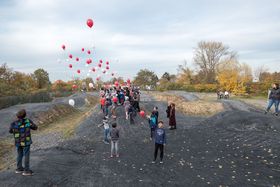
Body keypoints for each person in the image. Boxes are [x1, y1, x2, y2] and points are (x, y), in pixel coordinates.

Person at [9, 109, 38, 176]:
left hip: (18, 142)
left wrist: (16, 129)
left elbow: (10, 131)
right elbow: (35, 127)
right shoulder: (27, 121)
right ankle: (26, 170)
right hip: (26, 142)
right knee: (26, 155)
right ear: (25, 115)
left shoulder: (13, 123)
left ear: (17, 116)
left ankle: (19, 168)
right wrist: (29, 125)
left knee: (19, 154)